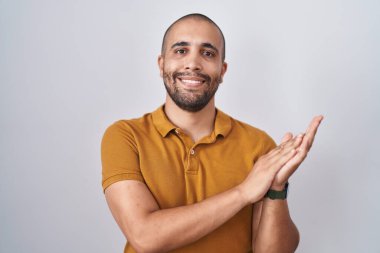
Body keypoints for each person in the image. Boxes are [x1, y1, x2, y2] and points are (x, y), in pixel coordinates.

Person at [101, 13, 323, 253]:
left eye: (208, 53)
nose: (193, 64)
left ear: (222, 70)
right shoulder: (125, 136)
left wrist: (276, 189)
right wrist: (242, 193)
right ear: (161, 63)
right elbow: (145, 237)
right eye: (181, 51)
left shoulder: (258, 144)